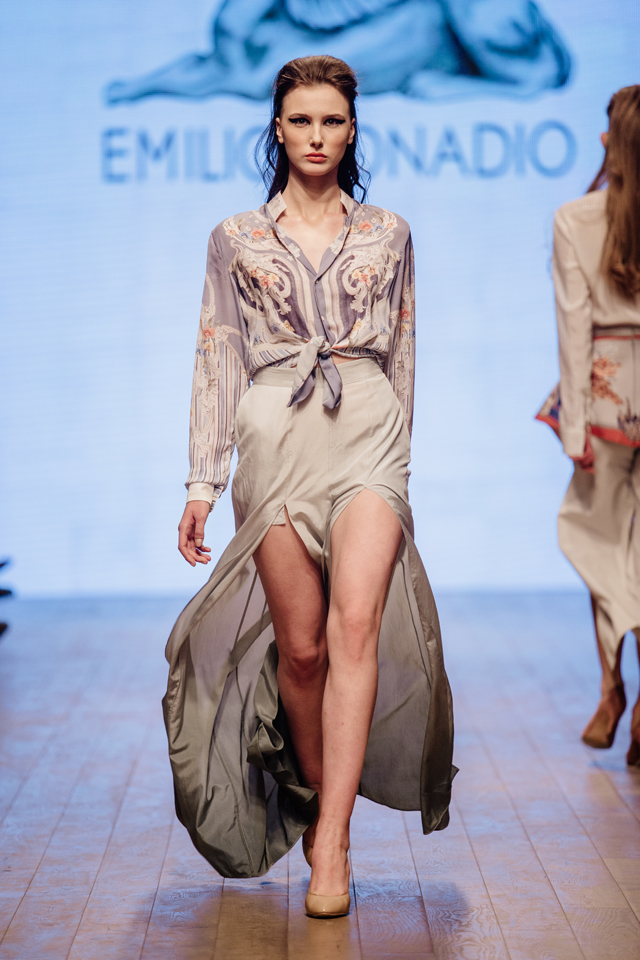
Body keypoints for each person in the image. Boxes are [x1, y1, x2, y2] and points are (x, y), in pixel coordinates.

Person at [164, 55, 456, 919]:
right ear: (278, 129)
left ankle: (331, 840)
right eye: (301, 120)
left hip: (367, 431)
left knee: (354, 624)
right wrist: (202, 481)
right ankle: (330, 804)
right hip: (274, 431)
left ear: (352, 130)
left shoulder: (391, 233)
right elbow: (217, 353)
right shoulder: (235, 237)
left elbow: (403, 351)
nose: (317, 136)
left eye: (332, 121)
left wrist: (399, 458)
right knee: (302, 651)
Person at [536, 85, 640, 767]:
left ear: (609, 140)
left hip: (605, 394)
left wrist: (574, 430)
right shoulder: (577, 217)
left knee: (599, 542)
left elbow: (574, 329)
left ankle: (611, 689)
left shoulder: (576, 216)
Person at [105, 0, 570, 105]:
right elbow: (224, 35)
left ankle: (515, 83)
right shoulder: (256, 51)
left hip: (437, 26)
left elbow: (228, 30)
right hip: (420, 33)